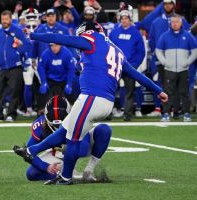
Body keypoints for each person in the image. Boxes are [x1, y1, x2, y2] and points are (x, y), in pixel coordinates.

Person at [13, 21, 168, 185]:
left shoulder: (91, 39)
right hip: (107, 102)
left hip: (93, 97)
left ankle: (65, 177)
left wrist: (33, 35)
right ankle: (31, 150)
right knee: (66, 128)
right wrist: (158, 90)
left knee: (72, 139)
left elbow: (61, 38)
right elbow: (135, 74)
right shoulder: (116, 50)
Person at [23, 96, 111, 182]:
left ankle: (88, 171)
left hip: (79, 146)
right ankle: (65, 174)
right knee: (31, 173)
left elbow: (83, 149)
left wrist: (67, 149)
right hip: (57, 154)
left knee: (104, 130)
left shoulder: (78, 117)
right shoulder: (40, 125)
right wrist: (46, 167)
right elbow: (28, 152)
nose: (57, 125)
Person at [147, 0, 190, 117]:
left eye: (170, 3)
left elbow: (188, 36)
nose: (167, 6)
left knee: (175, 86)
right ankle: (159, 109)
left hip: (178, 60)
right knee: (160, 84)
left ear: (174, 5)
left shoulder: (182, 20)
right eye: (165, 4)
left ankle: (174, 110)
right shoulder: (156, 22)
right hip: (160, 60)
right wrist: (158, 55)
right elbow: (151, 40)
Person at [0, 10, 31, 122]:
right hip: (1, 66)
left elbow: (27, 46)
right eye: (2, 20)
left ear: (11, 20)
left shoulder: (18, 31)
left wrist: (18, 50)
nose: (4, 22)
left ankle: (11, 115)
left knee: (14, 92)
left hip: (14, 66)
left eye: (6, 19)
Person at [156, 14, 197, 122]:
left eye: (177, 22)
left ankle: (187, 114)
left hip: (183, 70)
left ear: (181, 23)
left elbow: (195, 50)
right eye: (173, 22)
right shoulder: (164, 36)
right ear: (170, 23)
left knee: (184, 92)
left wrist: (187, 62)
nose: (174, 24)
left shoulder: (188, 36)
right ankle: (165, 114)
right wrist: (165, 62)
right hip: (169, 70)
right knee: (168, 93)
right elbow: (158, 50)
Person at [109, 9, 145, 121]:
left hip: (129, 66)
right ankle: (108, 113)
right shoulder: (113, 33)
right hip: (115, 66)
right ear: (119, 20)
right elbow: (108, 48)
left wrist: (134, 66)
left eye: (126, 18)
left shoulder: (136, 33)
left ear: (130, 20)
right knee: (110, 90)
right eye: (122, 18)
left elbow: (141, 52)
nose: (124, 20)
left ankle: (127, 114)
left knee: (130, 91)